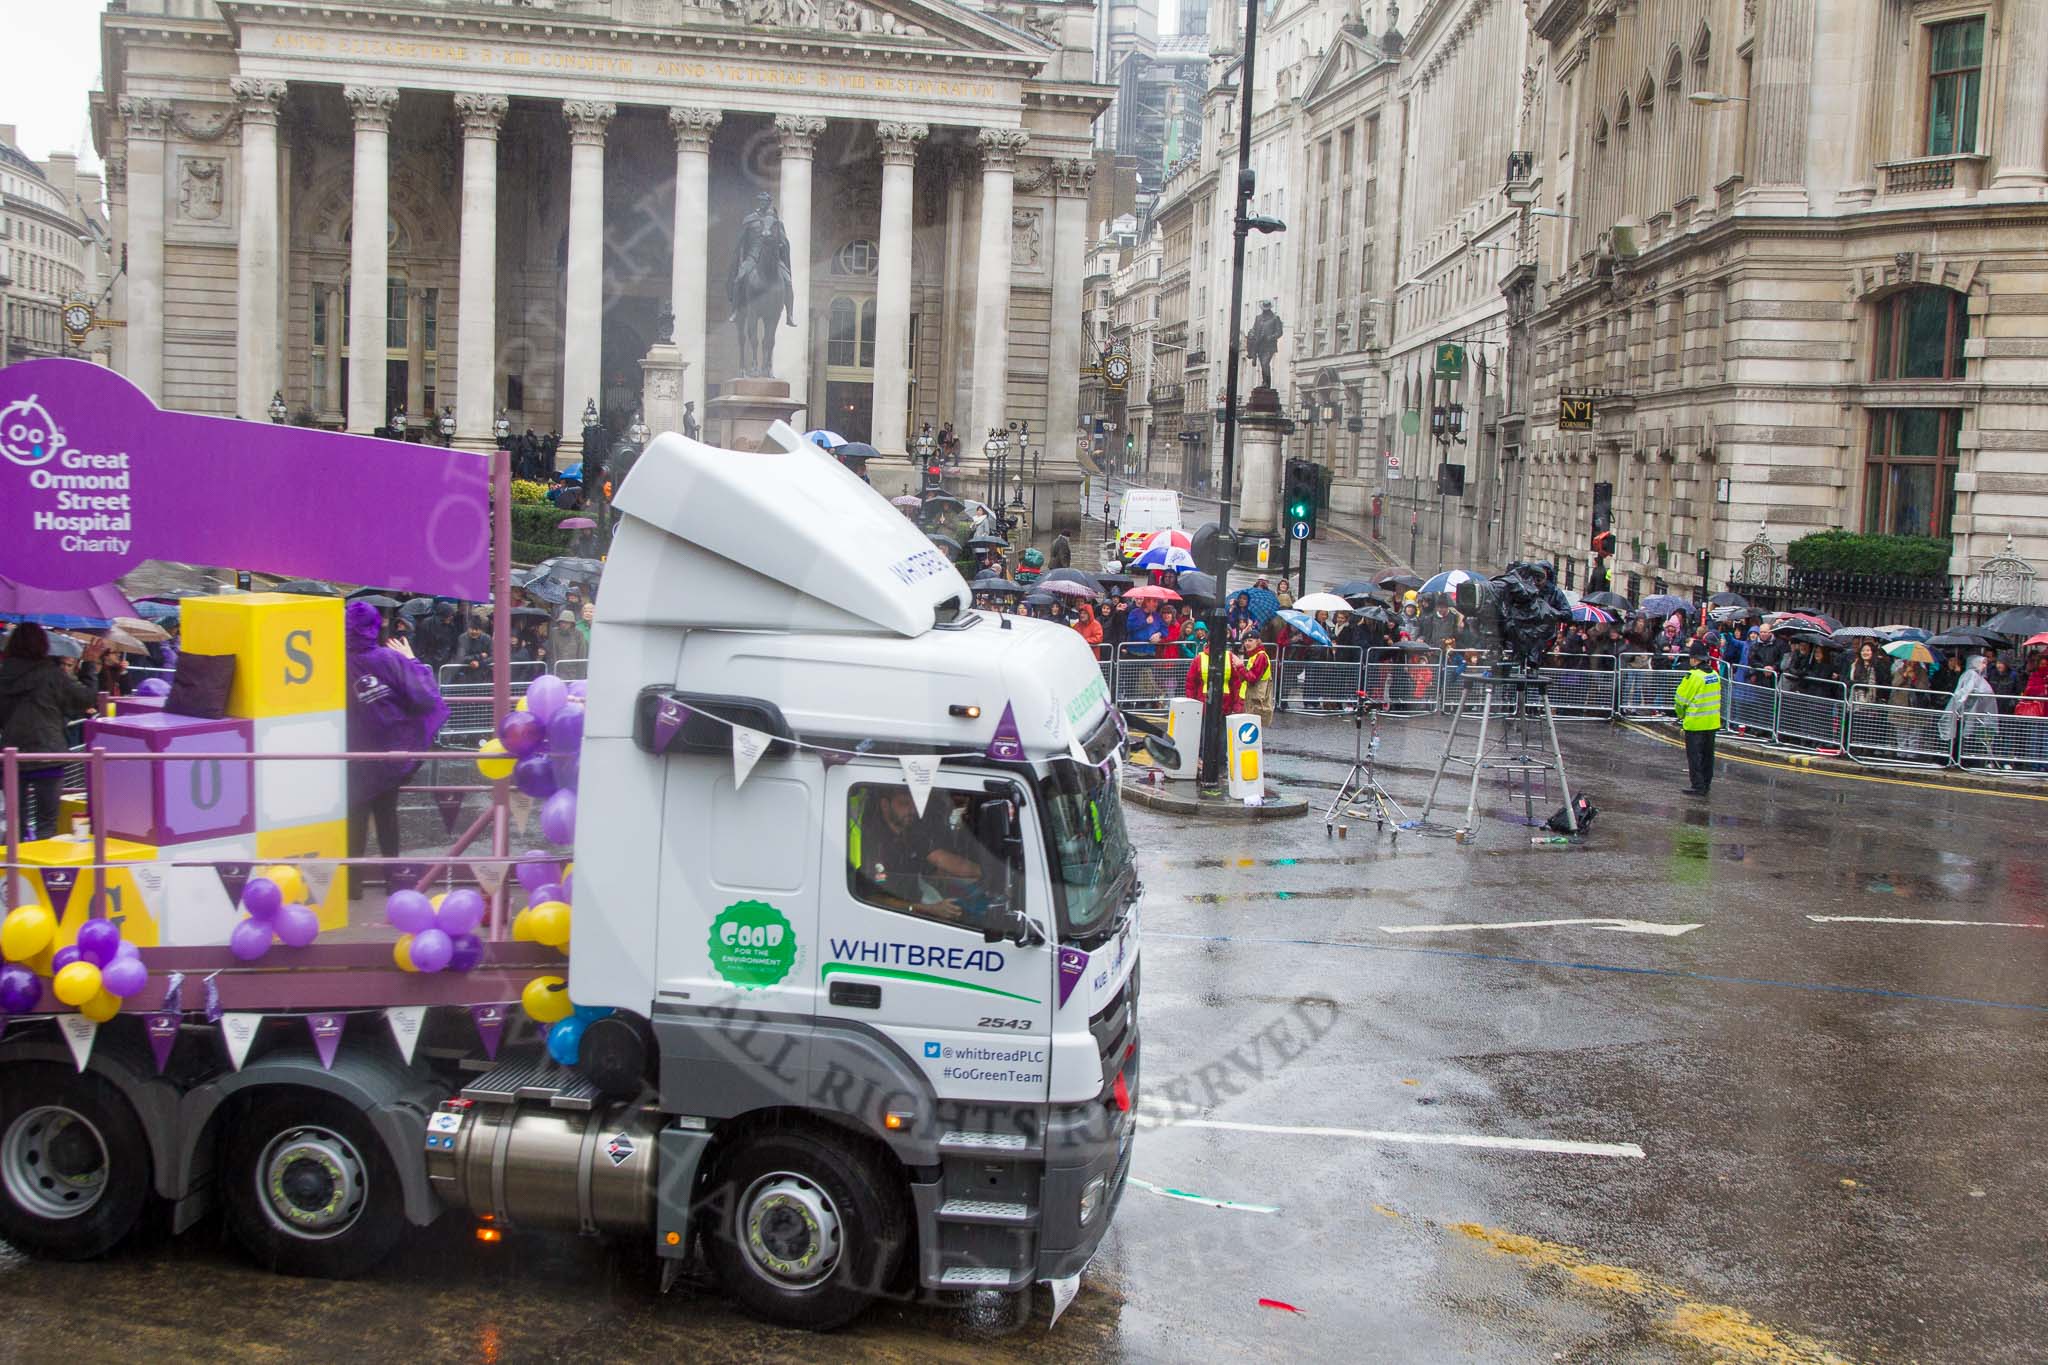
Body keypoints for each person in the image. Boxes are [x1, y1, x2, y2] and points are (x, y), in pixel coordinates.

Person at [344, 601, 448, 900]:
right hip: (390, 752)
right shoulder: (389, 659)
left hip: (352, 754)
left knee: (355, 818)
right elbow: (426, 697)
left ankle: (353, 887)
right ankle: (394, 881)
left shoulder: (334, 660)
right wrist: (412, 660)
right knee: (387, 817)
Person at [0, 625, 105, 840]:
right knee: (47, 824)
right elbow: (84, 699)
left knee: (15, 824)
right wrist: (89, 665)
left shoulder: (3, 675)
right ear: (43, 646)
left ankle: (14, 870)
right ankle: (42, 871)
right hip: (48, 754)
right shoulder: (51, 674)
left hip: (11, 756)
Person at [849, 785, 984, 923]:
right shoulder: (874, 843)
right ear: (885, 805)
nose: (911, 810)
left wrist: (984, 873)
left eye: (914, 804)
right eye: (904, 803)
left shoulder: (910, 833)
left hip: (916, 904)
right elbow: (874, 898)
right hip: (890, 918)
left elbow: (941, 859)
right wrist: (928, 909)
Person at [1672, 641, 1722, 796]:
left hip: (1695, 724)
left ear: (1694, 659)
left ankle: (1697, 786)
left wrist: (1680, 715)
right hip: (1712, 723)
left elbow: (1680, 700)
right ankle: (1706, 784)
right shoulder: (1714, 675)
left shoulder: (1692, 676)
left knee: (1695, 757)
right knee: (1708, 756)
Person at [1940, 655, 2000, 760]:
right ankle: (1955, 759)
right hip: (1964, 713)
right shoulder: (1971, 674)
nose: (1984, 666)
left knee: (1966, 739)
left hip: (1972, 713)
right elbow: (1966, 691)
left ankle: (1961, 759)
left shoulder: (1979, 677)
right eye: (1982, 663)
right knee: (1960, 737)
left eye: (1986, 663)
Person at [415, 599, 463, 674]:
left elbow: (454, 644)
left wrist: (451, 659)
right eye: (449, 615)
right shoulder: (426, 624)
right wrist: (425, 660)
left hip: (445, 662)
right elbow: (420, 645)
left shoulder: (451, 626)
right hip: (430, 662)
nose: (451, 617)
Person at [1846, 640, 1891, 705]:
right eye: (1863, 650)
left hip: (1874, 702)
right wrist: (1859, 683)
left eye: (1868, 650)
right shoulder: (1854, 665)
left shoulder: (1879, 665)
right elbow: (1847, 680)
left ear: (1873, 652)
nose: (1865, 652)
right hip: (1855, 701)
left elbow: (1883, 682)